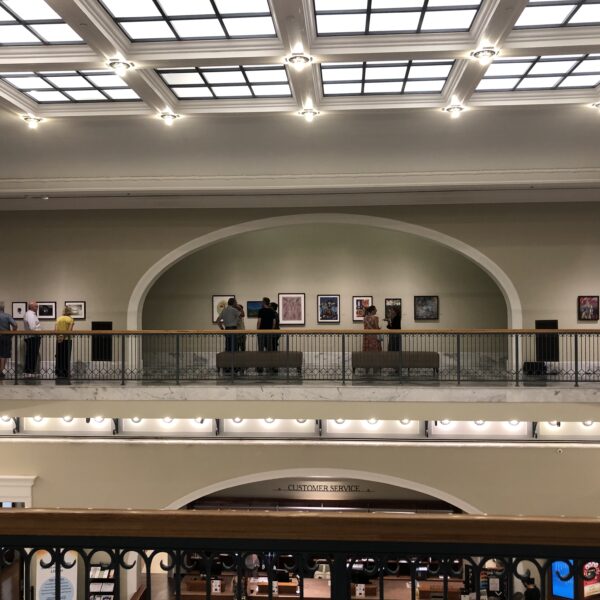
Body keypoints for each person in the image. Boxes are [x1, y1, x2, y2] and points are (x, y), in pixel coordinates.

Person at [256, 297, 277, 372]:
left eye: (262, 302)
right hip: (269, 332)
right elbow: (274, 322)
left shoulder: (261, 311)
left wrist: (258, 330)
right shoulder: (272, 311)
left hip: (261, 332)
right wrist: (271, 329)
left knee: (261, 349)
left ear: (264, 302)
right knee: (269, 350)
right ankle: (270, 366)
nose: (261, 303)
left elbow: (259, 321)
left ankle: (260, 367)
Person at [55, 306, 74, 381]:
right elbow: (69, 330)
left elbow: (55, 330)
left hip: (59, 340)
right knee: (66, 356)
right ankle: (66, 373)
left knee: (59, 356)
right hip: (67, 339)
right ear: (70, 312)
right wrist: (64, 337)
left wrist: (59, 337)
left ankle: (59, 372)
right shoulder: (71, 319)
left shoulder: (58, 318)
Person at [0, 302, 17, 379]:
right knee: (4, 354)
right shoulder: (7, 316)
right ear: (3, 308)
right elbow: (15, 325)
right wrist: (11, 334)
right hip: (5, 337)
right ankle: (1, 371)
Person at [23, 301, 41, 375]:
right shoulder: (30, 314)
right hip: (33, 337)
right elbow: (32, 327)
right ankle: (30, 371)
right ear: (31, 307)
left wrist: (37, 325)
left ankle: (29, 371)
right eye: (35, 306)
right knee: (32, 354)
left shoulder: (30, 314)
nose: (37, 308)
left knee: (31, 354)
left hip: (32, 337)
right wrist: (38, 327)